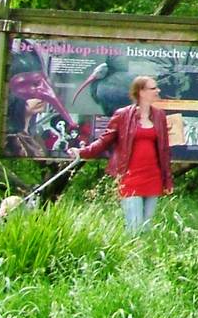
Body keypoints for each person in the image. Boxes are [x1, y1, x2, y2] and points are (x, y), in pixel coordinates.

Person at [70, 75, 173, 233]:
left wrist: (167, 180)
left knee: (147, 229)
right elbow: (105, 141)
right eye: (153, 88)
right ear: (141, 92)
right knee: (134, 227)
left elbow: (165, 150)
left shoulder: (159, 116)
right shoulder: (122, 114)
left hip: (153, 177)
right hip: (131, 177)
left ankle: (144, 257)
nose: (157, 91)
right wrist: (82, 152)